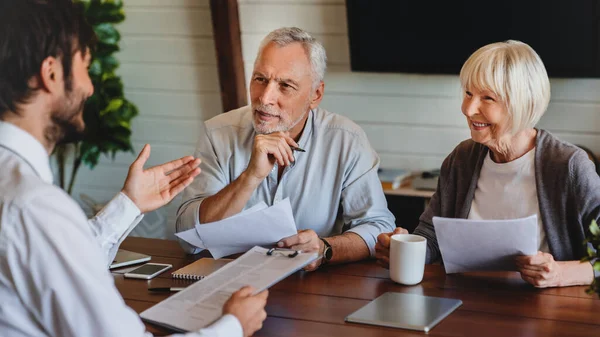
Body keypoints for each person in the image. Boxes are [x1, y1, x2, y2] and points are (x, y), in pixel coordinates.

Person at [0, 1, 267, 336]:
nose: (90, 87)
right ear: (51, 74)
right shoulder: (34, 207)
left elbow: (59, 268)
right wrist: (232, 327)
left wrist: (129, 204)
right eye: (84, 66)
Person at [375, 40, 600, 288]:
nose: (468, 109)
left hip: (546, 310)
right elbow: (433, 236)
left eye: (488, 98)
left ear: (521, 104)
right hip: (464, 302)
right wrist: (405, 248)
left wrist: (559, 273)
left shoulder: (568, 166)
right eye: (468, 93)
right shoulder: (461, 159)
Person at [176, 27, 395, 271]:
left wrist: (325, 248)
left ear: (315, 94)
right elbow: (188, 237)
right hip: (230, 280)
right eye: (260, 79)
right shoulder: (217, 133)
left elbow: (379, 227)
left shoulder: (347, 140)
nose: (265, 98)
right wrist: (250, 177)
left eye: (285, 85)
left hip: (313, 289)